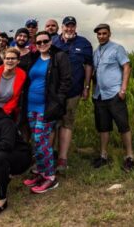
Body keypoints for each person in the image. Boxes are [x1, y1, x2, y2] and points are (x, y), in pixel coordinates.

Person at [19, 31, 71, 193]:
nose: (42, 44)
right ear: (35, 44)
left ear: (51, 41)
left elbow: (66, 81)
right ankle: (41, 172)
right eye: (39, 42)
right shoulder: (34, 58)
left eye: (45, 41)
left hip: (46, 107)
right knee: (37, 141)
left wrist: (57, 102)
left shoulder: (58, 57)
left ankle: (50, 177)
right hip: (31, 107)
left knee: (42, 142)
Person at [52, 16, 93, 173]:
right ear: (62, 27)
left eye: (72, 26)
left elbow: (88, 66)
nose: (69, 29)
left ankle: (63, 159)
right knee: (52, 123)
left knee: (67, 123)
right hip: (55, 92)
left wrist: (87, 86)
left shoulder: (84, 43)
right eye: (66, 26)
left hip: (73, 91)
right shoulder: (54, 41)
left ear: (75, 27)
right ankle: (50, 156)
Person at [91, 23, 134, 171]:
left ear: (109, 34)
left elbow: (127, 66)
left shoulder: (117, 48)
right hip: (99, 95)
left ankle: (129, 157)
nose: (101, 36)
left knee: (123, 125)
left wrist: (123, 89)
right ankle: (103, 156)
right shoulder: (96, 52)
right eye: (99, 34)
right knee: (103, 127)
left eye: (104, 33)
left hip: (114, 94)